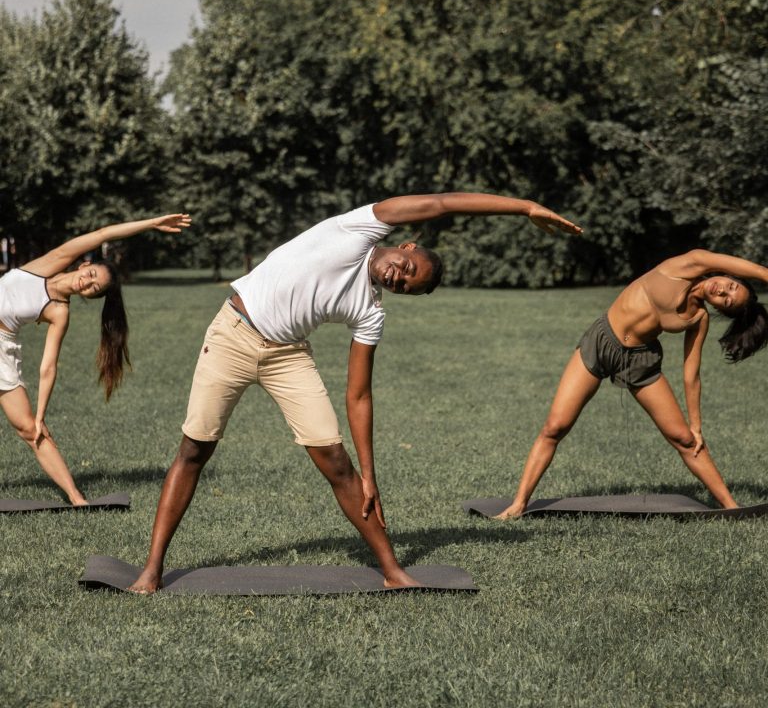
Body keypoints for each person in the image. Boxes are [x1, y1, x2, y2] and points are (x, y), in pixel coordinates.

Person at [127, 192, 582, 592]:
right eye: (407, 268)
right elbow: (441, 203)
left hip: (288, 356)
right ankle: (151, 570)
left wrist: (370, 473)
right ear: (406, 246)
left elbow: (359, 394)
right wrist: (524, 207)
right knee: (194, 450)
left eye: (406, 286)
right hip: (232, 334)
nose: (398, 277)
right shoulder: (359, 228)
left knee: (339, 464)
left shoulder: (370, 312)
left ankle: (392, 571)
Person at [496, 250, 768, 519]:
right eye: (731, 286)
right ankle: (518, 504)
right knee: (555, 427)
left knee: (685, 439)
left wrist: (696, 426)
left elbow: (691, 373)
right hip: (602, 342)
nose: (723, 291)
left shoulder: (699, 317)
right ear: (729, 275)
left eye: (727, 301)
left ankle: (731, 507)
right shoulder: (686, 266)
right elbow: (755, 270)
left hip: (639, 360)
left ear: (720, 309)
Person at [0, 214, 191, 505]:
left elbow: (48, 366)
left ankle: (76, 498)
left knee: (30, 429)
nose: (87, 283)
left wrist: (40, 415)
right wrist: (151, 224)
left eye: (94, 289)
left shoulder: (59, 312)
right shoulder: (49, 263)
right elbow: (103, 234)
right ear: (84, 265)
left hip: (2, 348)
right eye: (91, 275)